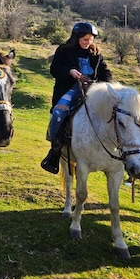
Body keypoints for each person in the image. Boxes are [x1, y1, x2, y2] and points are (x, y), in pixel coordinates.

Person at [41, 21, 113, 174]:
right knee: (59, 113)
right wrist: (70, 71)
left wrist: (106, 85)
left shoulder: (96, 53)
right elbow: (54, 70)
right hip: (70, 88)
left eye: (91, 39)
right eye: (85, 39)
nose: (89, 43)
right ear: (76, 38)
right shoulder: (63, 50)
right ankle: (55, 150)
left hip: (92, 89)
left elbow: (106, 73)